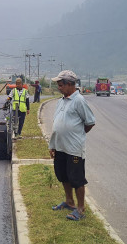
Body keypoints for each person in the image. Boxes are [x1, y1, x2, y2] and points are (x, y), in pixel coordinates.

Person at [49, 70, 95, 221]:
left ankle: (80, 209)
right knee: (63, 175)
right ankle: (69, 202)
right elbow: (57, 124)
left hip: (74, 148)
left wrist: (76, 135)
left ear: (70, 84)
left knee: (77, 178)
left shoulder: (79, 101)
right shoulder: (61, 101)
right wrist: (53, 145)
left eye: (61, 85)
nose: (59, 88)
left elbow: (89, 122)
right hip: (60, 146)